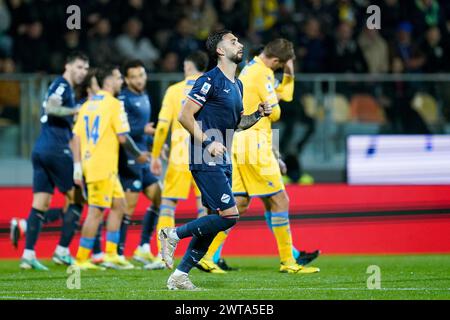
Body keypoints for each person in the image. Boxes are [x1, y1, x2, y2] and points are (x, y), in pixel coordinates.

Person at [158, 30, 272, 290]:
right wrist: (208, 142)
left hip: (222, 158)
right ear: (220, 50)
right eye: (233, 41)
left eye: (239, 40)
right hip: (204, 155)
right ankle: (172, 234)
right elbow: (185, 116)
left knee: (214, 219)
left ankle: (180, 276)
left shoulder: (237, 84)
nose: (239, 44)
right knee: (230, 216)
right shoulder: (208, 80)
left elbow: (237, 124)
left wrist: (257, 115)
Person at [232, 39, 320, 274]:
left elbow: (284, 96)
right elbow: (277, 112)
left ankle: (206, 256)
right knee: (280, 200)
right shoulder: (262, 74)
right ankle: (289, 262)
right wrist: (277, 94)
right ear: (276, 61)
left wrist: (288, 76)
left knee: (238, 204)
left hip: (241, 141)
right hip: (255, 144)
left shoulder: (252, 68)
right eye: (282, 65)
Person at [151, 50, 230, 273]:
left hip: (178, 154)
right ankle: (200, 258)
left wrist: (156, 155)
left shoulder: (174, 91)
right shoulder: (210, 87)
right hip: (203, 153)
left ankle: (162, 255)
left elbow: (162, 126)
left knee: (168, 204)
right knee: (206, 209)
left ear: (186, 66)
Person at [72, 65, 149, 270]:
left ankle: (111, 254)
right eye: (117, 78)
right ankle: (80, 259)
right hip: (101, 166)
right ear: (108, 81)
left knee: (119, 206)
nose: (121, 81)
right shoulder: (114, 104)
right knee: (96, 212)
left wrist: (78, 166)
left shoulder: (87, 105)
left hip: (98, 165)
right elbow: (123, 138)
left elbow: (76, 136)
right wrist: (139, 155)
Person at [18, 52, 89, 270]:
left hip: (40, 149)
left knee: (41, 203)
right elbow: (51, 107)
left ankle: (28, 255)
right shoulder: (61, 85)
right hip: (56, 149)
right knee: (78, 199)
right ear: (67, 65)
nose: (82, 72)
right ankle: (62, 251)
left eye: (85, 69)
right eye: (78, 67)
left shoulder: (65, 89)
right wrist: (75, 109)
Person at [114, 60, 164, 270]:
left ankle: (143, 246)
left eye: (141, 75)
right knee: (128, 208)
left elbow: (144, 129)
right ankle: (117, 253)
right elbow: (121, 132)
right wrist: (144, 131)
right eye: (133, 76)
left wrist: (156, 146)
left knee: (159, 197)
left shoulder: (145, 96)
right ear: (126, 79)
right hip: (129, 159)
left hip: (144, 158)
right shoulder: (123, 99)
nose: (139, 80)